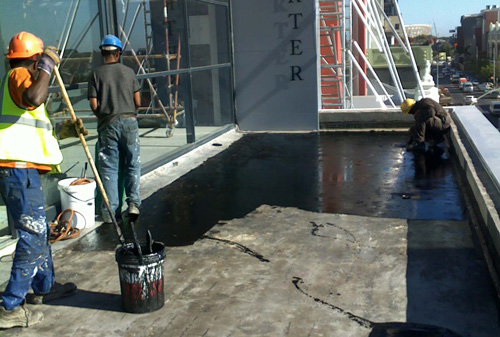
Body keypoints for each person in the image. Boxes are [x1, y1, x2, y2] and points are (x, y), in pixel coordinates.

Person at [0, 31, 87, 329]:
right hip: (17, 169)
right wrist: (48, 66)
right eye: (41, 61)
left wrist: (65, 132)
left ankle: (44, 287)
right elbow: (34, 97)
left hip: (23, 170)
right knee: (33, 234)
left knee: (38, 231)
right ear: (35, 58)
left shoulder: (21, 77)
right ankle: (10, 306)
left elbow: (33, 127)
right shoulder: (20, 75)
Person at [87, 35, 141, 223]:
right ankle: (133, 203)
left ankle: (111, 211)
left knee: (109, 167)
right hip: (129, 121)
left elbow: (94, 105)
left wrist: (104, 116)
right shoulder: (129, 72)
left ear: (103, 53)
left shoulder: (96, 74)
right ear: (118, 53)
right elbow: (138, 102)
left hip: (108, 123)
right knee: (133, 162)